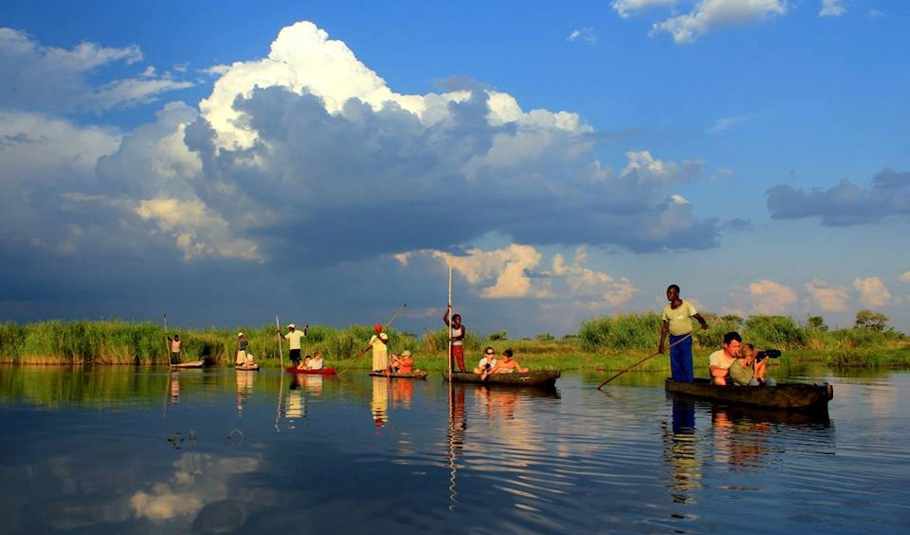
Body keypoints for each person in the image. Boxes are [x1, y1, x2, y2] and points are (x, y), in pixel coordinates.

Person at [658, 284, 709, 383]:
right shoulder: (666, 309)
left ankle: (689, 382)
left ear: (677, 294)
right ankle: (677, 382)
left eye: (671, 293)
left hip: (685, 338)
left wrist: (703, 323)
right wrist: (661, 345)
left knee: (686, 361)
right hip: (673, 339)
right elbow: (664, 328)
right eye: (667, 293)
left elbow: (697, 316)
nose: (669, 295)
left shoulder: (686, 305)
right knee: (675, 362)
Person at [443, 306, 468, 372]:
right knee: (451, 361)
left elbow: (462, 335)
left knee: (460, 361)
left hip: (458, 346)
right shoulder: (451, 326)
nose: (459, 320)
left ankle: (463, 372)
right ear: (454, 320)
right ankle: (452, 372)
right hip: (451, 346)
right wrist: (448, 310)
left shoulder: (462, 327)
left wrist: (455, 338)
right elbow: (445, 318)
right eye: (457, 319)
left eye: (460, 319)